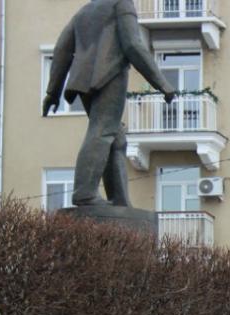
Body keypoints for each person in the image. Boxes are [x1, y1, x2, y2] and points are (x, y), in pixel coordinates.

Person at [43, 0, 176, 206]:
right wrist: (162, 83)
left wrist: (53, 91)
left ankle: (120, 200)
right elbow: (132, 45)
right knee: (103, 130)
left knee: (116, 139)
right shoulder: (122, 3)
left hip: (82, 79)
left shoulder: (85, 11)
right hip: (108, 75)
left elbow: (62, 49)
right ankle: (85, 193)